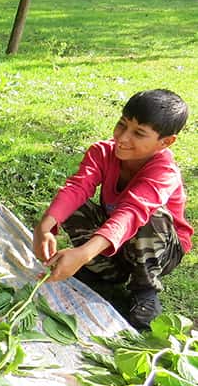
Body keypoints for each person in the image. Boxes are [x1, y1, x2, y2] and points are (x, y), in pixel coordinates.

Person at [34, 89, 191, 329]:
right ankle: (107, 271)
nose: (122, 138)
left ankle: (144, 289)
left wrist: (84, 253)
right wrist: (46, 226)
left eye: (138, 133)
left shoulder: (164, 172)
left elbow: (131, 214)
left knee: (151, 215)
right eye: (122, 124)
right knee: (75, 207)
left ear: (165, 142)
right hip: (117, 234)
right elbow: (78, 187)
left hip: (160, 248)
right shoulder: (102, 152)